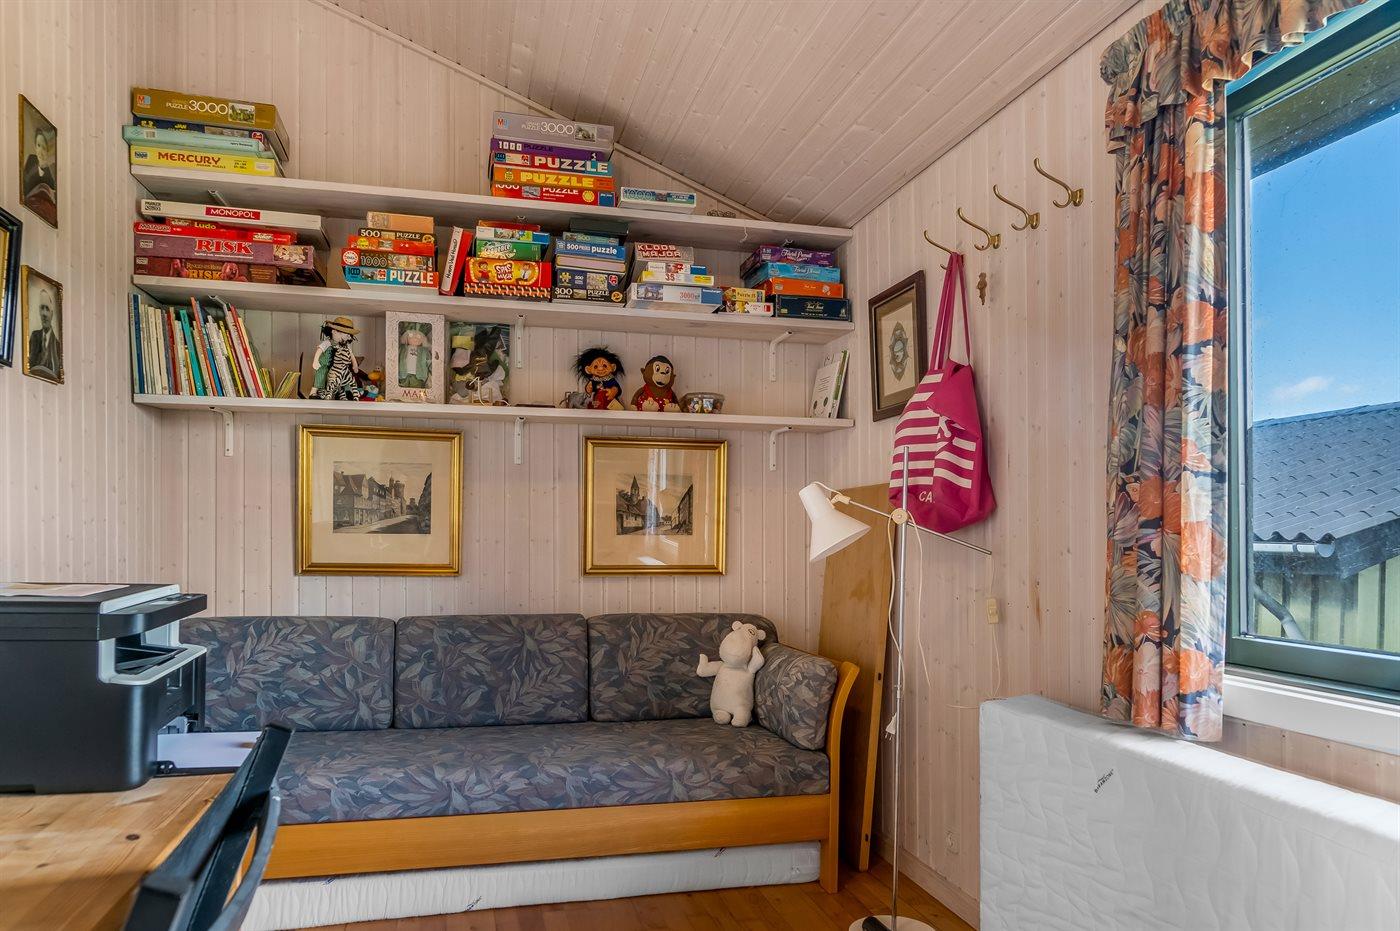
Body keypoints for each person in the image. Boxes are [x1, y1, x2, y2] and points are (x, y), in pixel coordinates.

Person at [27, 285, 60, 378]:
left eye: (47, 309)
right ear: (39, 311)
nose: (44, 313)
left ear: (52, 314)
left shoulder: (57, 345)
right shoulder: (34, 336)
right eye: (42, 308)